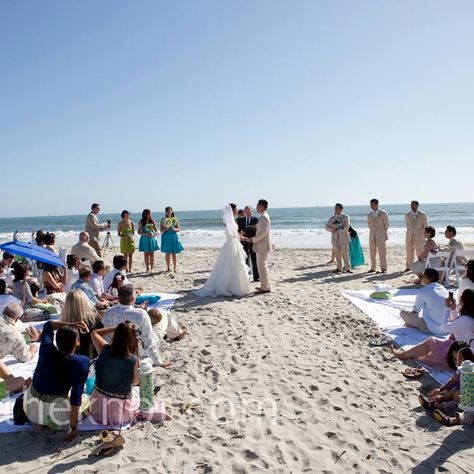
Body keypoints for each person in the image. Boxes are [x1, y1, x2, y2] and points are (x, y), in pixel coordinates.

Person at [23, 320, 90, 437]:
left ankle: (39, 422)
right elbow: (76, 397)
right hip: (57, 416)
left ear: (57, 341)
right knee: (88, 399)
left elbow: (48, 325)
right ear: (77, 342)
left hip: (31, 407)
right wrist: (73, 428)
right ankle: (49, 421)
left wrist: (70, 322)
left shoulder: (46, 348)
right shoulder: (81, 362)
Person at [391, 289, 474, 370]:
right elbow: (456, 323)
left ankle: (403, 355)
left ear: (463, 303)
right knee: (432, 342)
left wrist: (447, 308)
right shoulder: (469, 318)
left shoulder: (465, 319)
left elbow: (445, 327)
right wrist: (453, 309)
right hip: (465, 349)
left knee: (431, 342)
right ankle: (404, 354)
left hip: (462, 352)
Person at [102, 284, 171, 368]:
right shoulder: (140, 314)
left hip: (116, 352)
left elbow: (106, 336)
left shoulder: (109, 312)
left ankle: (178, 332)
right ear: (133, 299)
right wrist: (159, 362)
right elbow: (148, 340)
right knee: (164, 317)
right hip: (136, 354)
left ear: (118, 298)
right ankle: (177, 333)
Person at [196, 204, 251, 297]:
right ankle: (229, 286)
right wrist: (241, 238)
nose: (237, 210)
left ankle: (234, 285)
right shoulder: (228, 220)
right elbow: (231, 234)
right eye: (236, 209)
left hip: (234, 243)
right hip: (231, 244)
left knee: (236, 264)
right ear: (232, 210)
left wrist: (241, 236)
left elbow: (235, 232)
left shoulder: (232, 220)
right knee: (230, 265)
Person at [418, 341, 474, 417]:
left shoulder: (469, 369)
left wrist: (443, 397)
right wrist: (440, 390)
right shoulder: (459, 366)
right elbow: (453, 380)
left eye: (460, 358)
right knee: (429, 389)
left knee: (456, 399)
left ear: (467, 356)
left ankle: (441, 407)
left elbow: (458, 388)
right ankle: (436, 401)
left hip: (467, 395)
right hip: (457, 390)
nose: (457, 361)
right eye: (454, 358)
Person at [399, 268, 449, 334]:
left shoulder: (423, 291)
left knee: (403, 313)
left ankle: (415, 325)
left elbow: (415, 311)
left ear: (427, 278)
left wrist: (410, 320)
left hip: (432, 328)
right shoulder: (444, 289)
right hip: (447, 328)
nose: (421, 278)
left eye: (422, 276)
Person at [61, 289, 103, 359]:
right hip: (91, 360)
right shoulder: (95, 321)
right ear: (85, 302)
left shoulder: (63, 325)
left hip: (69, 362)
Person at [247, 200, 273, 294]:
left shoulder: (265, 217)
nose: (256, 207)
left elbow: (263, 233)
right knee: (261, 266)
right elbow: (260, 228)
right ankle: (263, 285)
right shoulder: (262, 216)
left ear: (262, 207)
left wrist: (253, 239)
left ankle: (265, 287)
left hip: (262, 245)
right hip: (260, 245)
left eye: (257, 206)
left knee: (262, 266)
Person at [325, 203, 351, 273]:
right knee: (337, 254)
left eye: (337, 208)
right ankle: (339, 268)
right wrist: (332, 230)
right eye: (335, 208)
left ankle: (348, 268)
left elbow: (346, 227)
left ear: (341, 209)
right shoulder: (332, 218)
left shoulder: (346, 217)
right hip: (334, 238)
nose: (335, 209)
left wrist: (339, 227)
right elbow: (326, 227)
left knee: (345, 254)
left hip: (343, 238)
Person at [237, 205, 259, 282]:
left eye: (249, 211)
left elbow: (257, 230)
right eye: (246, 211)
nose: (247, 212)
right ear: (244, 212)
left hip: (253, 241)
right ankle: (246, 275)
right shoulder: (240, 220)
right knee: (245, 258)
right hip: (244, 241)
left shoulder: (255, 219)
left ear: (251, 211)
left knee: (254, 259)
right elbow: (239, 231)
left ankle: (256, 277)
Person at [404, 201, 428, 271]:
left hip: (419, 236)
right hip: (409, 236)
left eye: (413, 205)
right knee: (409, 252)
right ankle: (409, 267)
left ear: (417, 206)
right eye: (411, 205)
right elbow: (406, 225)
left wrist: (424, 236)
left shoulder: (422, 215)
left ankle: (421, 266)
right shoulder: (407, 215)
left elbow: (425, 226)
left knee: (420, 252)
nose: (412, 206)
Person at [367, 199, 389, 273]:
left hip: (381, 235)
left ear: (377, 204)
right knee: (372, 252)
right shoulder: (369, 215)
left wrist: (381, 232)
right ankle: (373, 268)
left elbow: (386, 225)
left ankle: (383, 268)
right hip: (372, 235)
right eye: (370, 204)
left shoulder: (383, 213)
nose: (371, 206)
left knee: (382, 252)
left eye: (372, 204)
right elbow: (369, 225)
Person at [160, 207, 184, 273]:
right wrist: (167, 228)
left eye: (170, 211)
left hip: (173, 236)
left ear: (172, 211)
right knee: (167, 252)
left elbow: (178, 229)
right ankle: (168, 267)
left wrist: (173, 229)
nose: (169, 212)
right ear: (165, 212)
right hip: (166, 237)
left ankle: (175, 268)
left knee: (174, 253)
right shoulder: (163, 219)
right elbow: (161, 230)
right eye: (167, 211)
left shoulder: (175, 219)